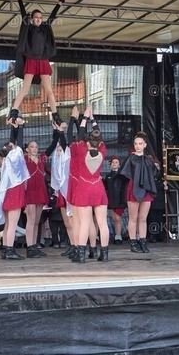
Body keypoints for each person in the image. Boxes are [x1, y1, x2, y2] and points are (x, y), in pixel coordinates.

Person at [8, 0, 67, 125]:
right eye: (36, 17)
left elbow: (53, 15)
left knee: (49, 90)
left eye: (40, 17)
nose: (39, 19)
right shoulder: (28, 27)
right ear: (32, 19)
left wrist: (61, 0)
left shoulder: (45, 28)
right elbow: (23, 12)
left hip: (43, 60)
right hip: (31, 60)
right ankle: (13, 112)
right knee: (25, 88)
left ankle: (55, 116)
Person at [66, 106, 110, 263]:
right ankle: (104, 254)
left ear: (87, 143)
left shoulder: (81, 150)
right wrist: (92, 119)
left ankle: (81, 255)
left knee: (84, 223)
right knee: (102, 223)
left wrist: (83, 118)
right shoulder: (102, 151)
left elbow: (79, 135)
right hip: (98, 186)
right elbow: (99, 136)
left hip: (84, 187)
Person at [0, 119, 30, 260]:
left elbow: (14, 144)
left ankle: (6, 249)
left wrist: (14, 128)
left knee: (9, 224)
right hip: (14, 194)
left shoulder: (8, 161)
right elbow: (18, 145)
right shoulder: (14, 160)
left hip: (9, 195)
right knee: (12, 225)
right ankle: (9, 250)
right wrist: (20, 127)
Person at [117, 132, 160, 254]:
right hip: (133, 189)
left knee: (143, 218)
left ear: (145, 145)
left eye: (140, 144)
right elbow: (124, 174)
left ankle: (143, 241)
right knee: (133, 218)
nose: (137, 146)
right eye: (136, 144)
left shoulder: (148, 159)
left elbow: (155, 173)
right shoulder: (130, 158)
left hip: (146, 189)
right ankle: (133, 242)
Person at [22, 128, 61, 258]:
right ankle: (29, 247)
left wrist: (57, 132)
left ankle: (34, 245)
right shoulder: (24, 159)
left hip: (40, 191)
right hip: (30, 192)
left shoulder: (42, 159)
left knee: (37, 221)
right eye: (32, 147)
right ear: (27, 149)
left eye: (36, 147)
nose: (34, 149)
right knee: (31, 220)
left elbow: (52, 146)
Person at [104, 155, 126, 245]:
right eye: (113, 162)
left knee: (118, 218)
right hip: (111, 199)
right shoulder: (108, 176)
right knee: (114, 218)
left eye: (116, 162)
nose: (114, 164)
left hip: (120, 200)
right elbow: (106, 188)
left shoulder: (122, 176)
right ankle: (116, 235)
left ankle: (118, 236)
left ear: (119, 165)